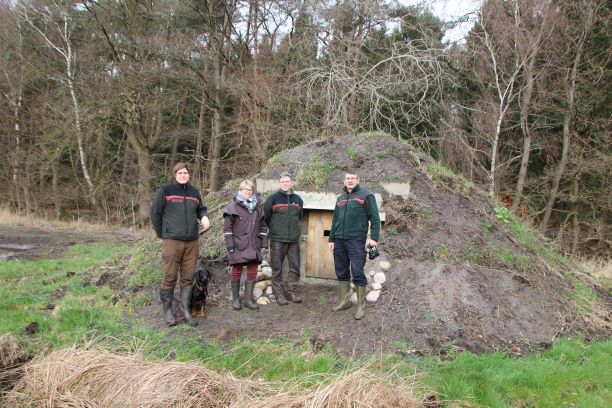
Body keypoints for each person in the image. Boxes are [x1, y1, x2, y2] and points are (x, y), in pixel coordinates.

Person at [151, 162, 210, 327]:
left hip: (192, 241)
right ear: (175, 174)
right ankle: (168, 312)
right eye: (180, 173)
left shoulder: (194, 192)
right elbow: (155, 214)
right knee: (170, 276)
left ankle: (185, 311)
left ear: (189, 174)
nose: (183, 175)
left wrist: (204, 217)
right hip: (172, 240)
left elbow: (201, 209)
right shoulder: (165, 191)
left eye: (185, 172)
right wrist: (163, 235)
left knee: (188, 277)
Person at [328, 170, 380, 320]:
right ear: (344, 181)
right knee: (341, 271)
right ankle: (344, 302)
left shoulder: (366, 196)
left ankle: (360, 306)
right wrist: (331, 239)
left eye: (353, 178)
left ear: (358, 180)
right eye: (347, 178)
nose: (350, 180)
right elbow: (335, 221)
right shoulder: (340, 198)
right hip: (339, 240)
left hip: (356, 240)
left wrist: (374, 238)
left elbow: (375, 218)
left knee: (357, 271)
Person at [223, 180, 268, 311]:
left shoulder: (258, 208)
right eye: (245, 189)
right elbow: (227, 230)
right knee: (236, 271)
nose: (248, 192)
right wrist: (230, 245)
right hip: (237, 244)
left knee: (252, 272)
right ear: (241, 190)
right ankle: (236, 300)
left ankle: (248, 300)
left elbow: (263, 227)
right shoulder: (232, 208)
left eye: (250, 190)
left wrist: (263, 243)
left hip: (254, 244)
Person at [264, 171, 304, 305]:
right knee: (277, 268)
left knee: (295, 267)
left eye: (287, 181)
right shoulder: (273, 199)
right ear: (279, 183)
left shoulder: (298, 199)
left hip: (293, 240)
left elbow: (299, 216)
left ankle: (291, 291)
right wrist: (275, 229)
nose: (285, 184)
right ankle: (279, 294)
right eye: (282, 182)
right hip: (277, 240)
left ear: (291, 182)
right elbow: (267, 217)